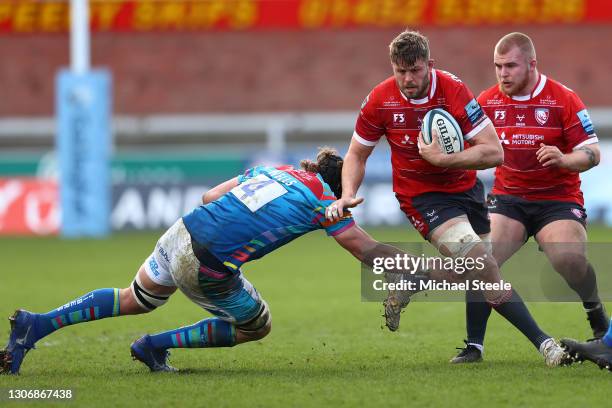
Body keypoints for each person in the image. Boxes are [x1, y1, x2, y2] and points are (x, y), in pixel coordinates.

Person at [0, 148, 403, 375]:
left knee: (134, 298)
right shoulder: (324, 202)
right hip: (206, 262)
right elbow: (363, 249)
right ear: (340, 186)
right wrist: (410, 268)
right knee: (256, 324)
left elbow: (210, 197)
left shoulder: (275, 170)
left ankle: (36, 325)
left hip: (183, 231)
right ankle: (154, 346)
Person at [326, 29, 570, 366]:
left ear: (429, 65)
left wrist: (443, 160)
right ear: (392, 68)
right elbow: (356, 154)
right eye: (400, 71)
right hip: (423, 198)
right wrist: (349, 193)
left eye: (415, 70)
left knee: (474, 268)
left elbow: (494, 152)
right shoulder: (380, 100)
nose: (408, 79)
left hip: (466, 191)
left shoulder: (453, 91)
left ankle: (469, 340)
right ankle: (546, 345)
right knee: (484, 266)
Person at [451, 32, 609, 364]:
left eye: (510, 66)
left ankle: (594, 309)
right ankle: (474, 346)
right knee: (482, 260)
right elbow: (469, 146)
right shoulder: (487, 102)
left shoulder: (562, 98)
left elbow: (592, 153)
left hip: (557, 199)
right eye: (498, 66)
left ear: (532, 64)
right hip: (509, 198)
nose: (503, 73)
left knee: (569, 260)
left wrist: (566, 160)